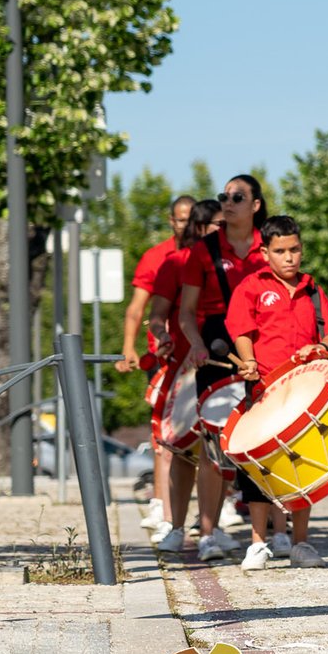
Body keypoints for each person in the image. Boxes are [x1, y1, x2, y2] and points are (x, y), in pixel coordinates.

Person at [226, 214, 328, 570]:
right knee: (259, 468)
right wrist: (247, 360)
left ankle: (301, 543)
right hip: (263, 389)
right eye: (281, 251)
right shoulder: (251, 286)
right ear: (265, 252)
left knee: (301, 466)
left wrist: (322, 347)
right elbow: (241, 330)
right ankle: (259, 544)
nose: (290, 257)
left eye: (295, 249)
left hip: (304, 391)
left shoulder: (313, 290)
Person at [168, 174, 269, 561]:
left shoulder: (271, 245)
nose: (228, 202)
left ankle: (275, 533)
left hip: (263, 343)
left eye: (237, 196)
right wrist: (195, 344)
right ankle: (207, 532)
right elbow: (187, 313)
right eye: (223, 196)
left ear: (255, 204)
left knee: (266, 436)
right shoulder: (203, 252)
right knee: (213, 442)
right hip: (216, 344)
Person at [118, 195, 195, 547]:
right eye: (180, 219)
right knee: (164, 435)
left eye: (192, 218)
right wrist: (128, 347)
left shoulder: (210, 257)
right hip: (164, 357)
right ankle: (161, 504)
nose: (185, 225)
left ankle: (220, 506)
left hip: (201, 354)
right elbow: (137, 308)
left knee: (211, 433)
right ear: (171, 221)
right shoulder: (156, 257)